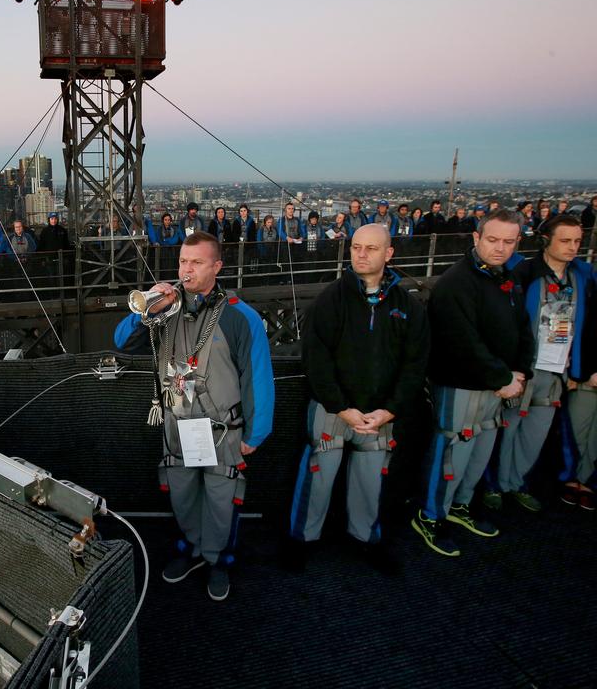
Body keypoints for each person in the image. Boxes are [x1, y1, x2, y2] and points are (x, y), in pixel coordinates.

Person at [114, 231, 274, 601]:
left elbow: (258, 377)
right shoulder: (164, 308)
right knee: (183, 495)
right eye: (184, 262)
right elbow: (122, 342)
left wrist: (256, 433)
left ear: (217, 266)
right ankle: (193, 548)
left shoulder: (239, 315)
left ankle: (218, 559)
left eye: (197, 262)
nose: (187, 269)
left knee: (222, 499)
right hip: (177, 425)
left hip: (223, 429)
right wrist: (148, 309)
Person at [287, 224, 428, 574]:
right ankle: (301, 541)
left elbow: (416, 363)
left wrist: (390, 409)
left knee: (370, 481)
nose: (362, 254)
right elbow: (315, 359)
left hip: (381, 415)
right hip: (333, 410)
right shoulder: (330, 299)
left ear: (389, 253)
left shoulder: (407, 307)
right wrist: (340, 406)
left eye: (371, 248)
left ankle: (365, 539)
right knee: (318, 477)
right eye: (356, 247)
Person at [412, 209, 533, 557]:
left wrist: (520, 371)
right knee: (451, 449)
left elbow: (523, 327)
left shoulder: (508, 277)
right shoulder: (455, 283)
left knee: (480, 450)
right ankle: (430, 515)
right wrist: (504, 377)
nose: (500, 248)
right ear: (476, 238)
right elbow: (461, 341)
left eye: (508, 242)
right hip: (460, 384)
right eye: (492, 240)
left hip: (500, 385)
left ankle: (460, 505)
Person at [486, 214, 590, 512]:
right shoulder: (524, 273)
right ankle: (494, 485)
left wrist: (578, 368)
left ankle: (516, 483)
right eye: (565, 241)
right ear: (546, 241)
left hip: (557, 370)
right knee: (507, 430)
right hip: (524, 367)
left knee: (536, 434)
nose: (573, 248)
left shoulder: (582, 276)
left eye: (577, 242)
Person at [563, 272, 597, 510]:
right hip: (584, 374)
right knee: (577, 428)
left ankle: (588, 481)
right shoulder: (588, 284)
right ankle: (573, 476)